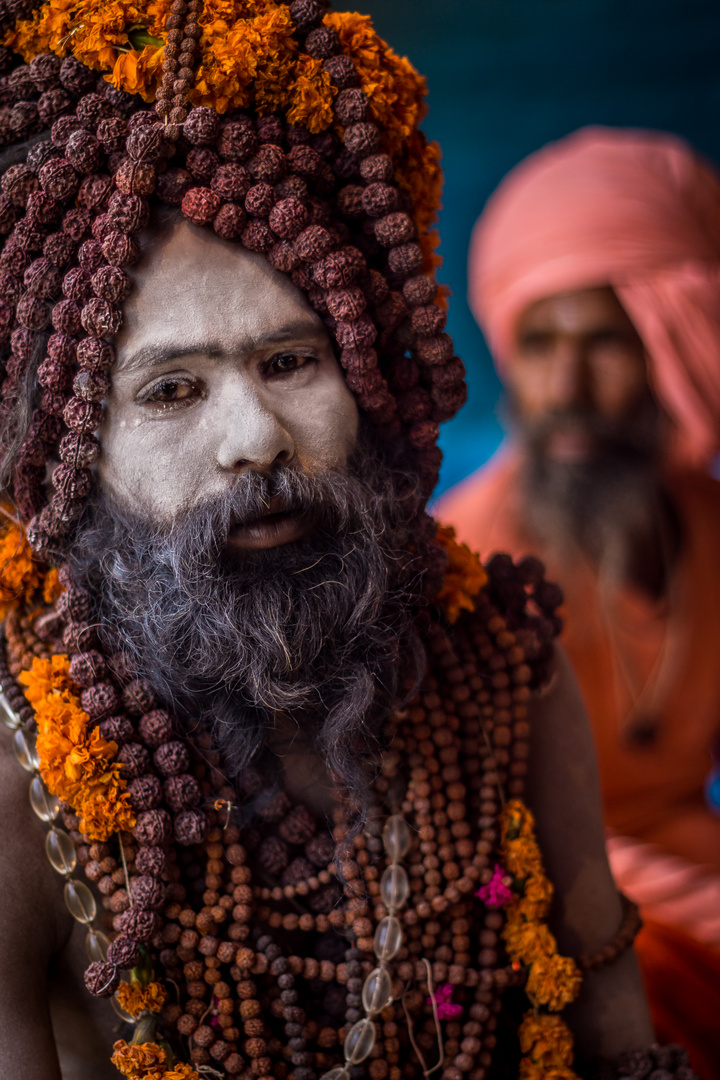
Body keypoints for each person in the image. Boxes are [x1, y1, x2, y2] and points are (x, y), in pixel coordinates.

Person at [0, 11, 681, 1078]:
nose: (255, 439)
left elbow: (612, 1020)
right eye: (172, 390)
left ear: (367, 383)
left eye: (291, 362)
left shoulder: (503, 675)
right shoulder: (21, 777)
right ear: (67, 451)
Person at [437, 127, 720, 1078]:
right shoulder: (465, 558)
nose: (566, 389)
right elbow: (493, 833)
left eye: (604, 341)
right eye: (540, 342)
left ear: (671, 338)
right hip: (566, 909)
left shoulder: (708, 525)